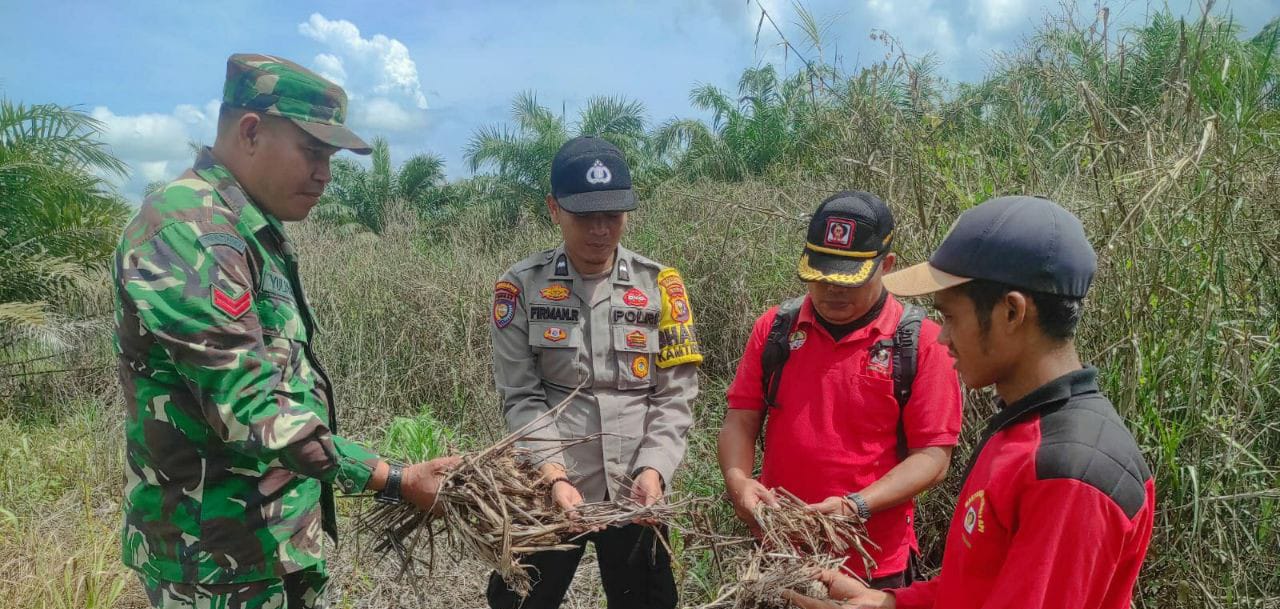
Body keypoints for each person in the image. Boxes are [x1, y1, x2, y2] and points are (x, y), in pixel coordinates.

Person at [113, 53, 458, 609]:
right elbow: (250, 408)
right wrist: (394, 478)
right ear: (251, 131)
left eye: (331, 157)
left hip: (269, 543)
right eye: (313, 151)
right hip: (215, 559)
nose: (325, 173)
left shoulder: (248, 228)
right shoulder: (189, 230)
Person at [785, 195, 1155, 609]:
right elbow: (975, 588)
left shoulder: (1067, 474)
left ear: (1012, 312)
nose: (942, 338)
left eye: (951, 317)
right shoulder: (1023, 432)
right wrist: (887, 603)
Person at [487, 135, 702, 609]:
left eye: (613, 215)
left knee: (646, 601)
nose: (601, 230)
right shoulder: (521, 287)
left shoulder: (661, 285)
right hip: (548, 484)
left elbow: (675, 394)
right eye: (585, 216)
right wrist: (553, 476)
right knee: (519, 600)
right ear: (553, 209)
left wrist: (655, 469)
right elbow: (521, 396)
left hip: (636, 489)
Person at [718, 191, 963, 587]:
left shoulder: (920, 343)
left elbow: (933, 456)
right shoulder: (777, 329)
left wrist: (856, 506)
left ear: (886, 265)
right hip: (781, 553)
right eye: (822, 274)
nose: (833, 289)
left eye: (848, 278)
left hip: (873, 562)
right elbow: (740, 421)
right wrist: (739, 481)